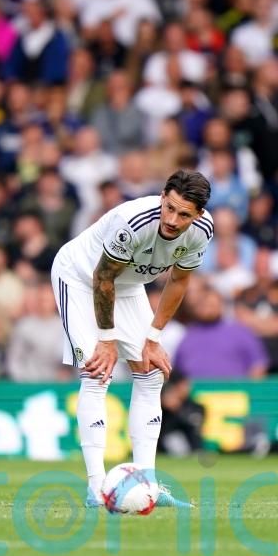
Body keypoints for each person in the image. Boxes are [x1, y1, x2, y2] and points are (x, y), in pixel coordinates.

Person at [51, 170, 214, 509]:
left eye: (184, 214)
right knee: (97, 372)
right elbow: (103, 277)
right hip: (81, 277)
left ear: (198, 215)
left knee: (152, 373)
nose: (172, 219)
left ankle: (148, 486)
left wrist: (153, 338)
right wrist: (106, 339)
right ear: (162, 197)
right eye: (169, 208)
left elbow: (179, 282)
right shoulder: (134, 221)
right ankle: (96, 489)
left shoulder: (201, 232)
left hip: (126, 286)